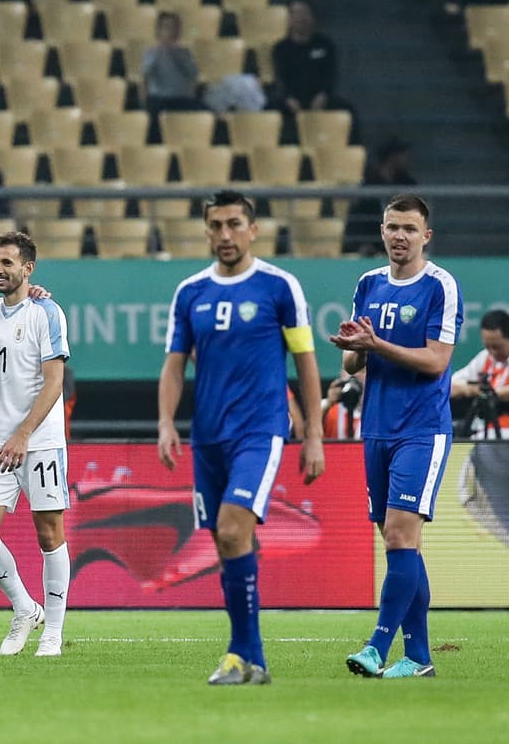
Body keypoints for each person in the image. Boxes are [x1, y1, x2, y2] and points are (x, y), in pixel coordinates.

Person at [157, 189, 325, 685]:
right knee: (226, 541)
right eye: (216, 226)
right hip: (207, 437)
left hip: (260, 431)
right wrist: (167, 421)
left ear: (253, 230)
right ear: (206, 230)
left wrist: (313, 433)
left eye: (234, 224)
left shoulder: (279, 287)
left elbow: (306, 362)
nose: (225, 235)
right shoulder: (190, 293)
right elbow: (173, 365)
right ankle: (252, 661)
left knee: (232, 530)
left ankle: (239, 652)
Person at [332, 194, 463, 679]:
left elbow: (435, 362)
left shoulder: (440, 286)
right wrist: (353, 347)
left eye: (409, 228)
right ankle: (421, 658)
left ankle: (376, 647)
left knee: (399, 538)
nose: (399, 236)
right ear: (382, 231)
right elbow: (353, 363)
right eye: (392, 227)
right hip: (378, 427)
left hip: (421, 429)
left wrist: (376, 344)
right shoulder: (368, 283)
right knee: (399, 543)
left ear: (426, 235)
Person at [0, 231, 70, 657]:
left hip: (39, 441)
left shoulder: (47, 312)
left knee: (50, 534)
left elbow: (54, 381)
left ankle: (53, 633)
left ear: (28, 269)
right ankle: (25, 608)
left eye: (7, 263)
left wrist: (24, 434)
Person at [272, 0, 354, 125]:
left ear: (312, 17)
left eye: (305, 13)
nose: (301, 18)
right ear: (288, 19)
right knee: (269, 109)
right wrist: (288, 98)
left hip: (319, 98)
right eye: (296, 14)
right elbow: (279, 78)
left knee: (347, 110)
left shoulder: (325, 45)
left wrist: (323, 95)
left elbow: (330, 74)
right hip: (291, 100)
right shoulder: (281, 48)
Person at [450, 310, 509, 440]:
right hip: (490, 431)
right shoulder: (486, 357)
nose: (492, 352)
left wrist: (492, 394)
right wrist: (470, 390)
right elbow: (451, 385)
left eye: (497, 347)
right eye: (488, 346)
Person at [342, 137, 417, 257]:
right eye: (402, 155)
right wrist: (362, 244)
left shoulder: (407, 183)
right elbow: (358, 219)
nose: (406, 158)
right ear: (391, 157)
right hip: (371, 244)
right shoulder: (368, 184)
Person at [142, 10, 201, 122]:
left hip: (182, 99)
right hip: (159, 100)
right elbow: (146, 72)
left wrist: (176, 54)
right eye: (167, 27)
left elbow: (194, 73)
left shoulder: (185, 52)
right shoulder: (152, 52)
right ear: (158, 30)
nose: (171, 31)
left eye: (175, 27)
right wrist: (160, 52)